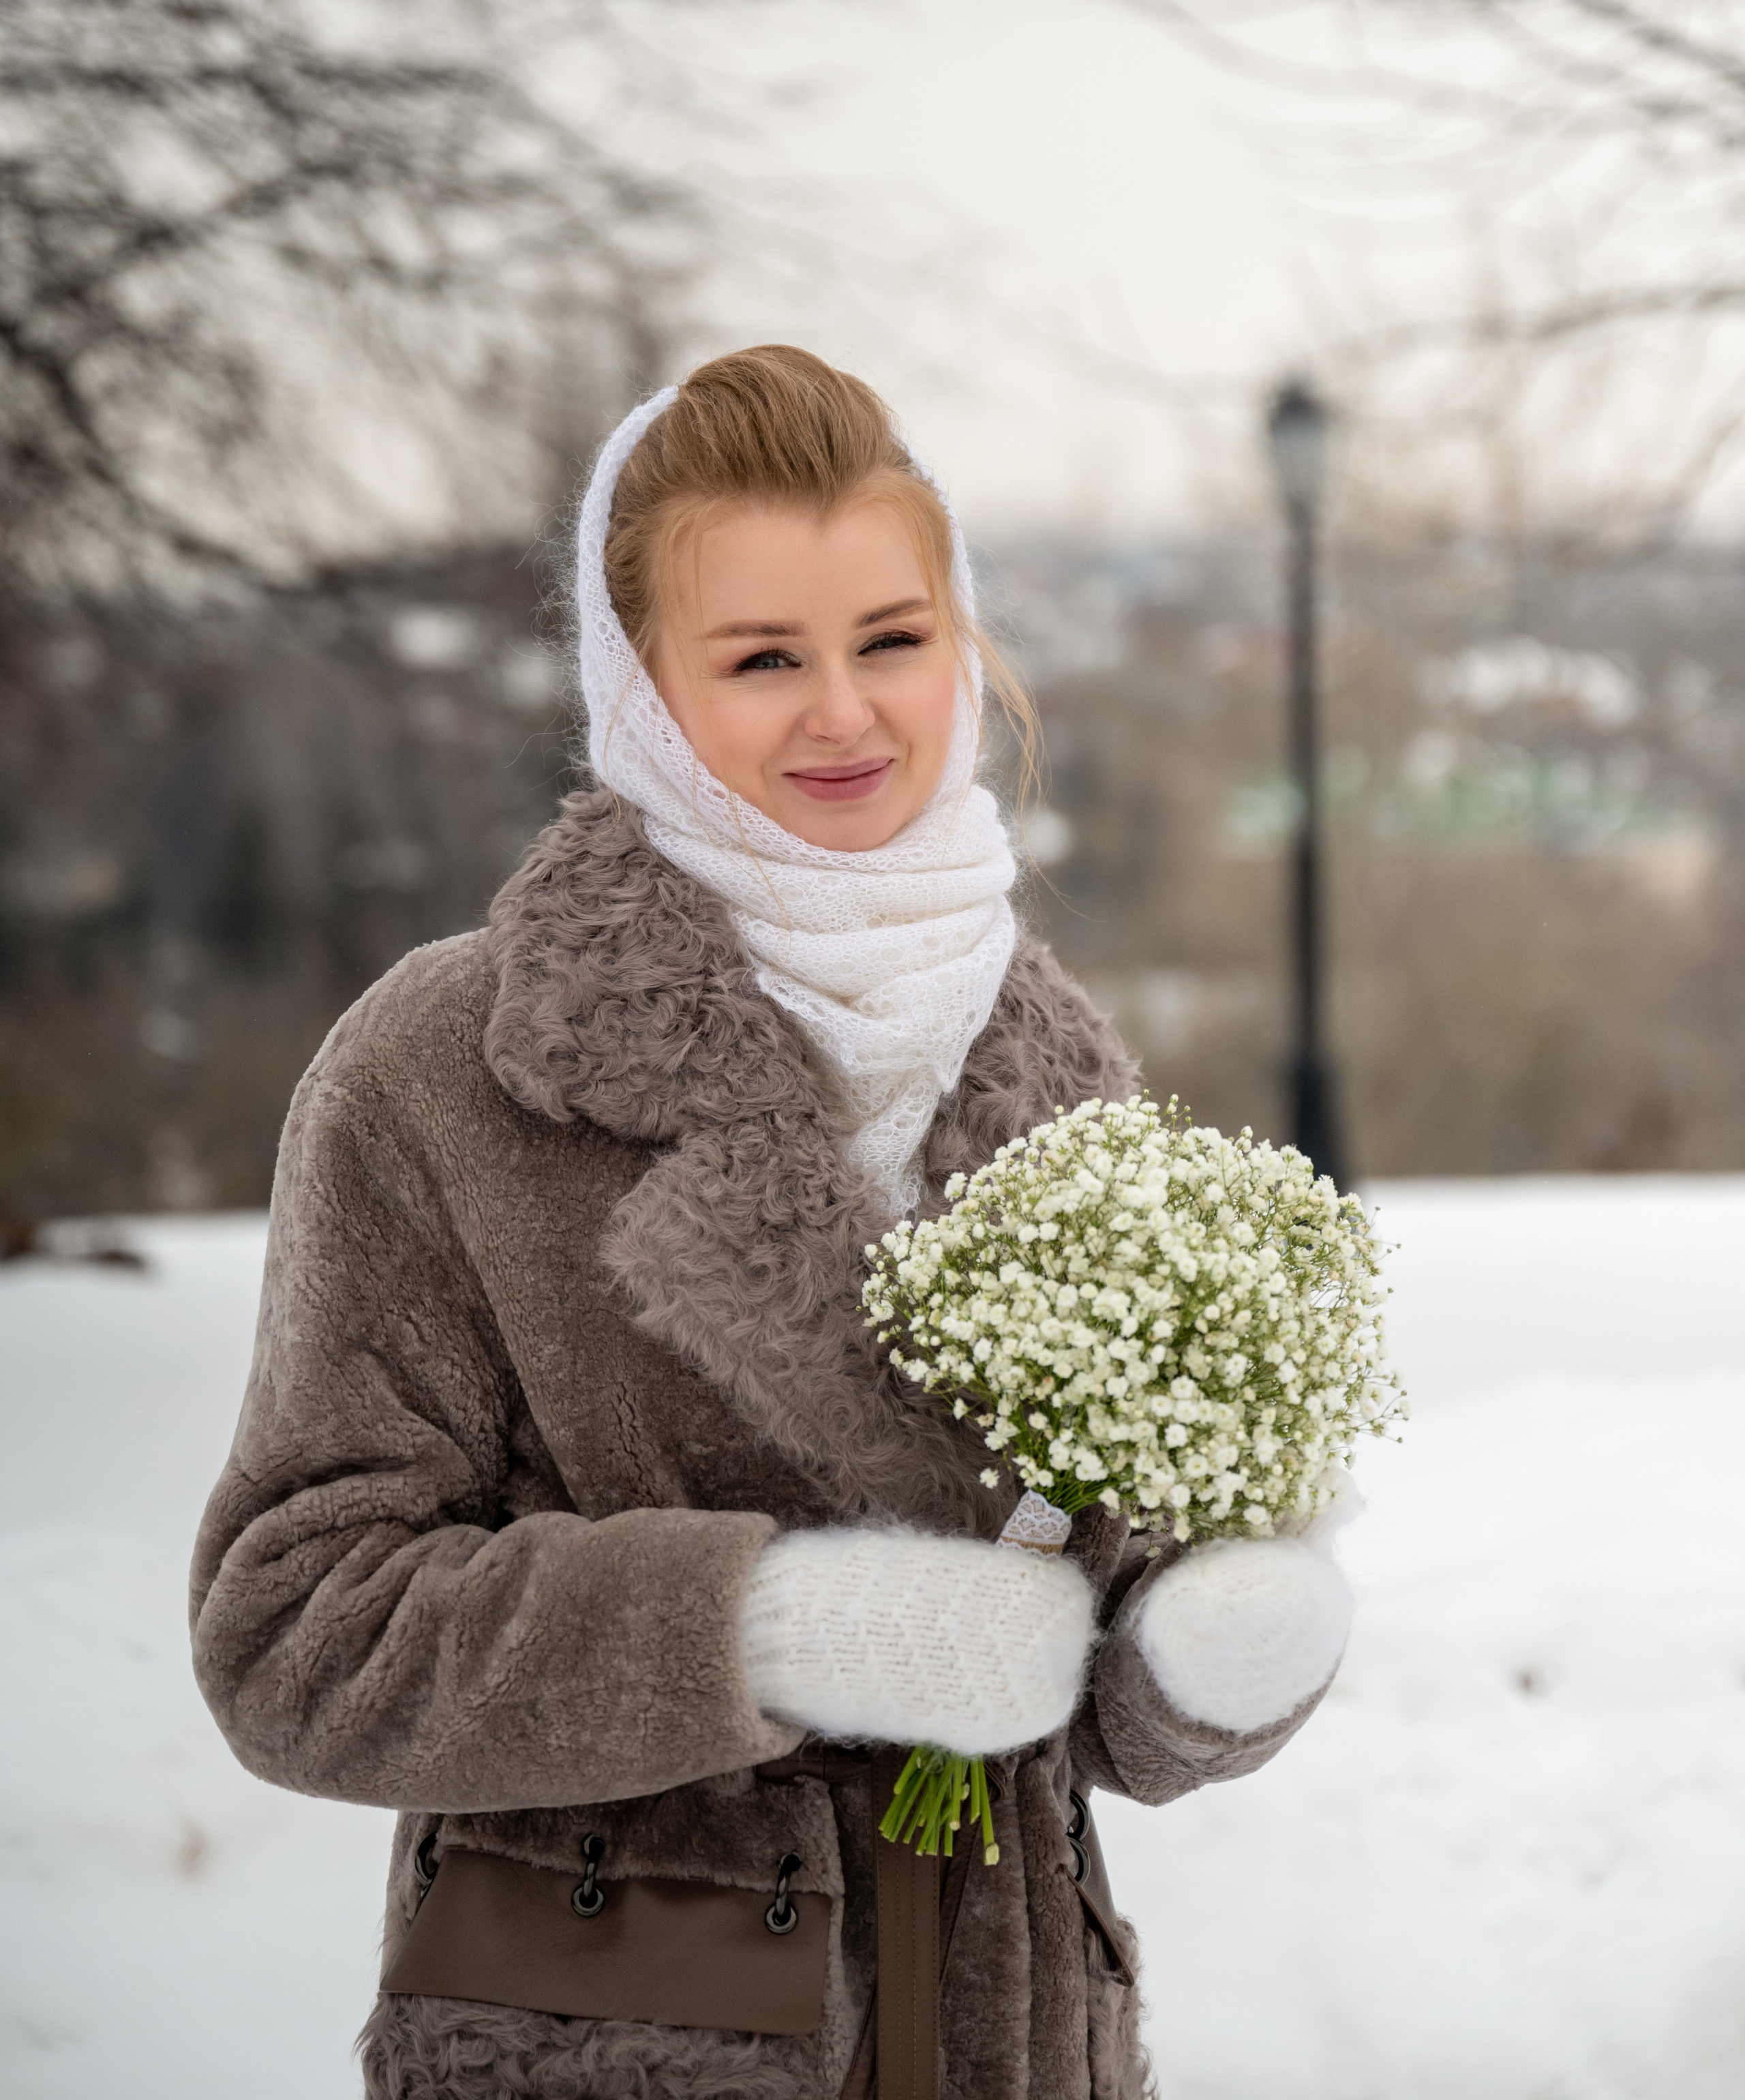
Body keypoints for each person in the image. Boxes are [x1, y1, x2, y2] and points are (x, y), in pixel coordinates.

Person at [191, 345, 1356, 2100]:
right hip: (624, 2039)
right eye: (759, 659)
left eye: (889, 639)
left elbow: (1073, 1670)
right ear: (643, 686)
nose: (843, 714)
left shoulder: (1054, 1064)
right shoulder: (448, 1067)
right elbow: (295, 1634)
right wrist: (771, 1626)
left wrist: (1213, 1655)